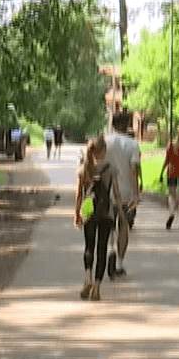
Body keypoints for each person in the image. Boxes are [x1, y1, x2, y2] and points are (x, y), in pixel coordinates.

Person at [74, 137, 118, 300]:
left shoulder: (84, 168)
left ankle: (87, 280)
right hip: (106, 212)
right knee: (102, 249)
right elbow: (116, 193)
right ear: (104, 151)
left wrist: (77, 213)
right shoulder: (110, 168)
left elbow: (79, 194)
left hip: (89, 212)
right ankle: (97, 288)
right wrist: (119, 209)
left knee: (89, 247)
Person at [104, 111, 143, 277]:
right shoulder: (132, 144)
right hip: (126, 191)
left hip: (107, 189)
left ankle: (110, 250)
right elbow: (134, 170)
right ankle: (119, 263)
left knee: (109, 224)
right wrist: (136, 194)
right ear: (126, 125)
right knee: (124, 225)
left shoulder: (105, 141)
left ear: (112, 124)